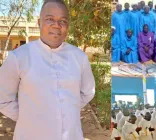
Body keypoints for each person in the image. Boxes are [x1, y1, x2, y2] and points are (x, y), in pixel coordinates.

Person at [0, 1, 95, 140]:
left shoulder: (79, 57)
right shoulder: (18, 57)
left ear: (67, 26)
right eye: (50, 19)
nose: (56, 25)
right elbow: (3, 99)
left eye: (62, 21)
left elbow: (87, 92)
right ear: (39, 22)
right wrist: (30, 118)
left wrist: (67, 109)